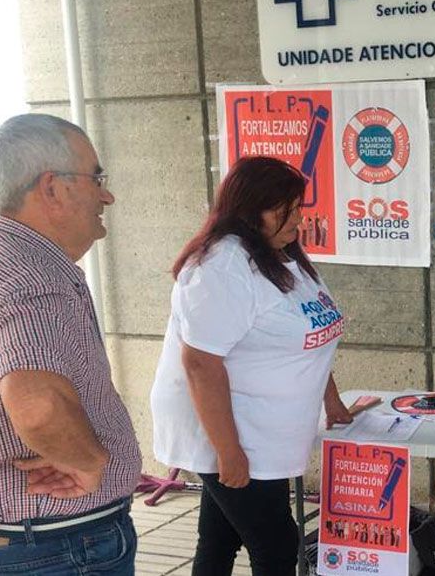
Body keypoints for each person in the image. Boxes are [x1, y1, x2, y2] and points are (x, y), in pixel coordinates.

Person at [149, 157, 354, 575]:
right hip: (229, 429)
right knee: (277, 546)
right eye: (286, 208)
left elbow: (310, 332)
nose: (299, 217)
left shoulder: (280, 255)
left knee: (221, 538)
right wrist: (229, 453)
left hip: (260, 429)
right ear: (250, 209)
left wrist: (331, 401)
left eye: (299, 206)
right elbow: (200, 364)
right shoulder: (222, 266)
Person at [0, 114, 141, 574]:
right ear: (53, 188)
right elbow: (37, 402)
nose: (107, 195)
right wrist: (89, 462)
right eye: (96, 177)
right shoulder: (33, 279)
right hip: (65, 545)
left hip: (29, 541)